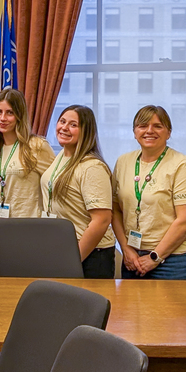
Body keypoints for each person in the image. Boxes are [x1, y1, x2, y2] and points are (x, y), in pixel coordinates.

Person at [112, 104, 186, 372]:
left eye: (157, 125)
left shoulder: (182, 165)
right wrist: (127, 249)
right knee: (137, 332)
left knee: (174, 338)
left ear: (168, 130)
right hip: (134, 258)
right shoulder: (124, 162)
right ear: (134, 130)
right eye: (142, 125)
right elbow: (116, 210)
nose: (149, 131)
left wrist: (155, 257)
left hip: (174, 262)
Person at [39, 105, 115, 278]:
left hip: (90, 254)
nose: (64, 128)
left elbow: (102, 220)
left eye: (73, 125)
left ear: (86, 131)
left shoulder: (92, 167)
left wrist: (73, 260)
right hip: (62, 249)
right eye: (62, 121)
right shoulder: (62, 156)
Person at [0, 88, 55, 219]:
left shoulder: (36, 145)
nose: (2, 118)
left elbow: (57, 185)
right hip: (1, 225)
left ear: (19, 116)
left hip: (29, 225)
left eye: (9, 113)